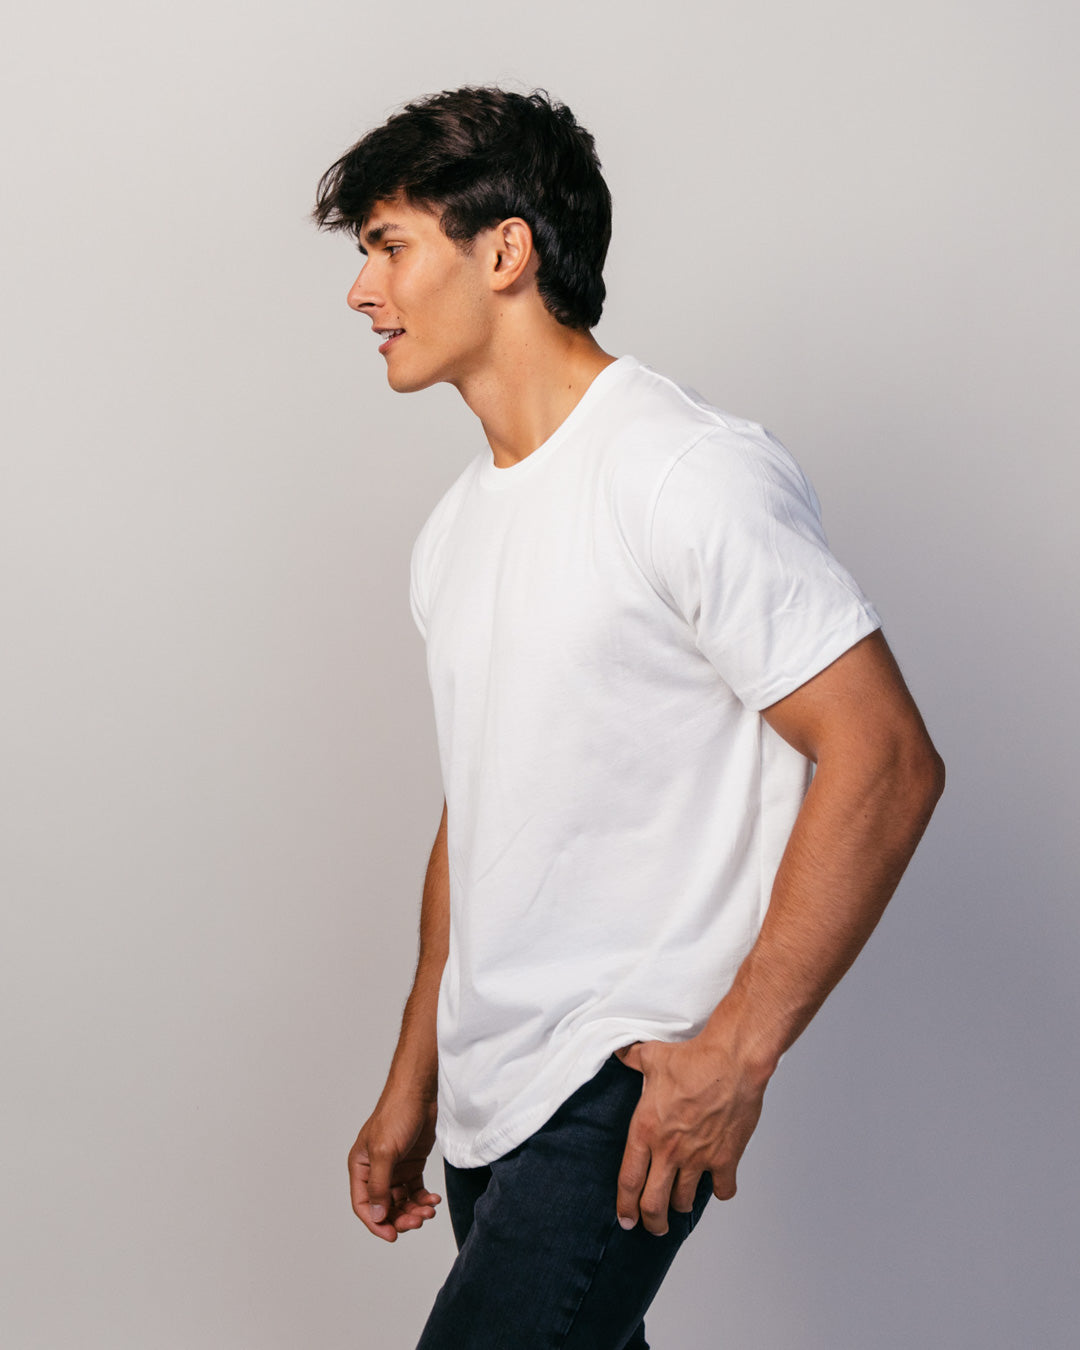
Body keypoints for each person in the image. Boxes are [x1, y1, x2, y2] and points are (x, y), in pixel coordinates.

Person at [312, 85, 945, 1349]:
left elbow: (883, 755)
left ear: (505, 251)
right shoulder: (457, 531)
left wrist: (737, 1054)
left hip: (620, 1084)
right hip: (492, 1104)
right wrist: (413, 1080)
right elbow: (482, 812)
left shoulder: (680, 470)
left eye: (388, 246)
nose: (361, 291)